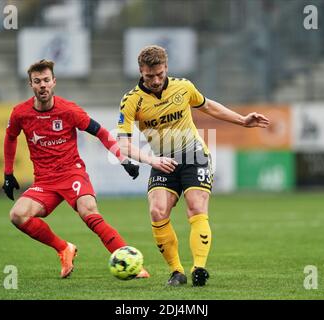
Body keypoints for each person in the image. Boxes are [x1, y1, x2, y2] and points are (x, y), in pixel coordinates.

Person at [116, 45, 270, 287]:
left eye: (160, 74)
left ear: (166, 68)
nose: (156, 80)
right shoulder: (131, 101)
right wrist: (151, 160)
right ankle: (176, 272)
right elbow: (123, 145)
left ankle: (199, 268)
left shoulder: (183, 87)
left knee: (196, 206)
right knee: (157, 211)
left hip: (194, 154)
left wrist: (241, 120)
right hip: (162, 159)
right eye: (149, 76)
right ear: (140, 71)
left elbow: (207, 105)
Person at [2, 59, 149, 279]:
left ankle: (132, 265)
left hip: (72, 173)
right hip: (44, 181)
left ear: (54, 82)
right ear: (30, 85)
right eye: (37, 81)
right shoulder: (20, 113)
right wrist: (7, 173)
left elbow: (100, 132)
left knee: (89, 212)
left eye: (46, 80)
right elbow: (10, 137)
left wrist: (122, 159)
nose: (42, 85)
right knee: (17, 215)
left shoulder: (69, 110)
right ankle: (63, 248)